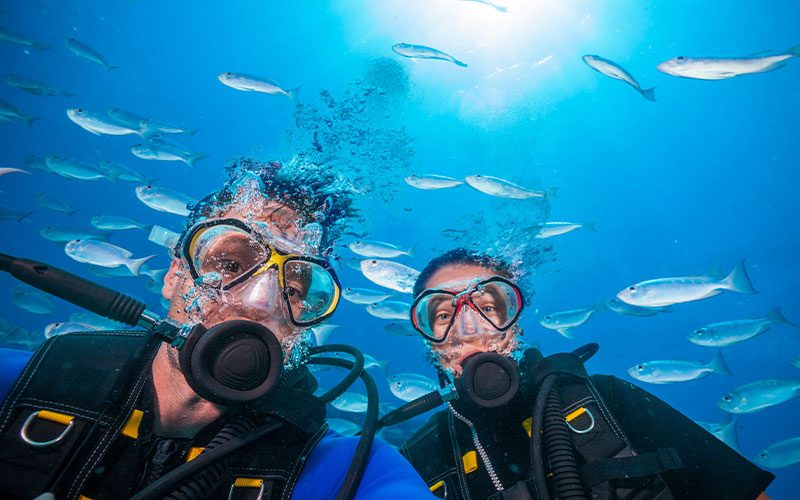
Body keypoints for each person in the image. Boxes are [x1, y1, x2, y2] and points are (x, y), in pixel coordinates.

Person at [0, 159, 433, 499]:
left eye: (295, 289)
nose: (259, 303)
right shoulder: (21, 388)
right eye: (228, 265)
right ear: (175, 273)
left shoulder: (343, 464)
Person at [397, 248, 774, 500]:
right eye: (443, 315)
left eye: (488, 308)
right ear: (428, 340)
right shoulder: (420, 457)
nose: (468, 331)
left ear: (514, 325)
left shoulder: (608, 402)